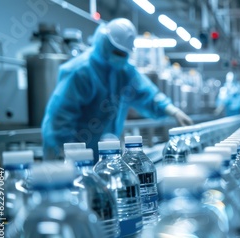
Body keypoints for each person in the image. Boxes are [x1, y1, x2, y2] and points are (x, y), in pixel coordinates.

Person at [42, 18, 193, 160]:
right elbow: (59, 119)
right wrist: (61, 153)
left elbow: (147, 93)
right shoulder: (80, 72)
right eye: (117, 52)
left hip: (108, 156)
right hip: (78, 158)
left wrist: (173, 110)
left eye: (124, 54)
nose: (120, 57)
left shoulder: (124, 71)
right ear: (104, 43)